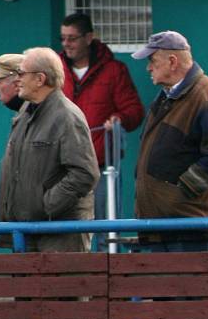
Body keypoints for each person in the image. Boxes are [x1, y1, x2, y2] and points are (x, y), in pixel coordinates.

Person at [131, 31, 208, 252]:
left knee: (196, 287)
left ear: (172, 61)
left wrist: (184, 189)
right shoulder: (166, 96)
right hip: (164, 226)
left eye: (152, 61)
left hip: (190, 226)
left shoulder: (205, 92)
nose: (148, 68)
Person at [0, 47, 99, 253]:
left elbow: (85, 173)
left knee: (60, 286)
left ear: (40, 79)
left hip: (58, 234)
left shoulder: (66, 117)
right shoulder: (26, 114)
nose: (17, 79)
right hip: (28, 231)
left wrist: (45, 205)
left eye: (21, 73)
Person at [58, 13, 144, 246]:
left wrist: (118, 119)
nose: (66, 44)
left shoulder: (114, 71)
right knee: (67, 232)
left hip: (101, 166)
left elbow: (135, 111)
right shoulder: (56, 70)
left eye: (72, 38)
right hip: (63, 167)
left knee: (107, 231)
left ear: (89, 38)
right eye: (63, 38)